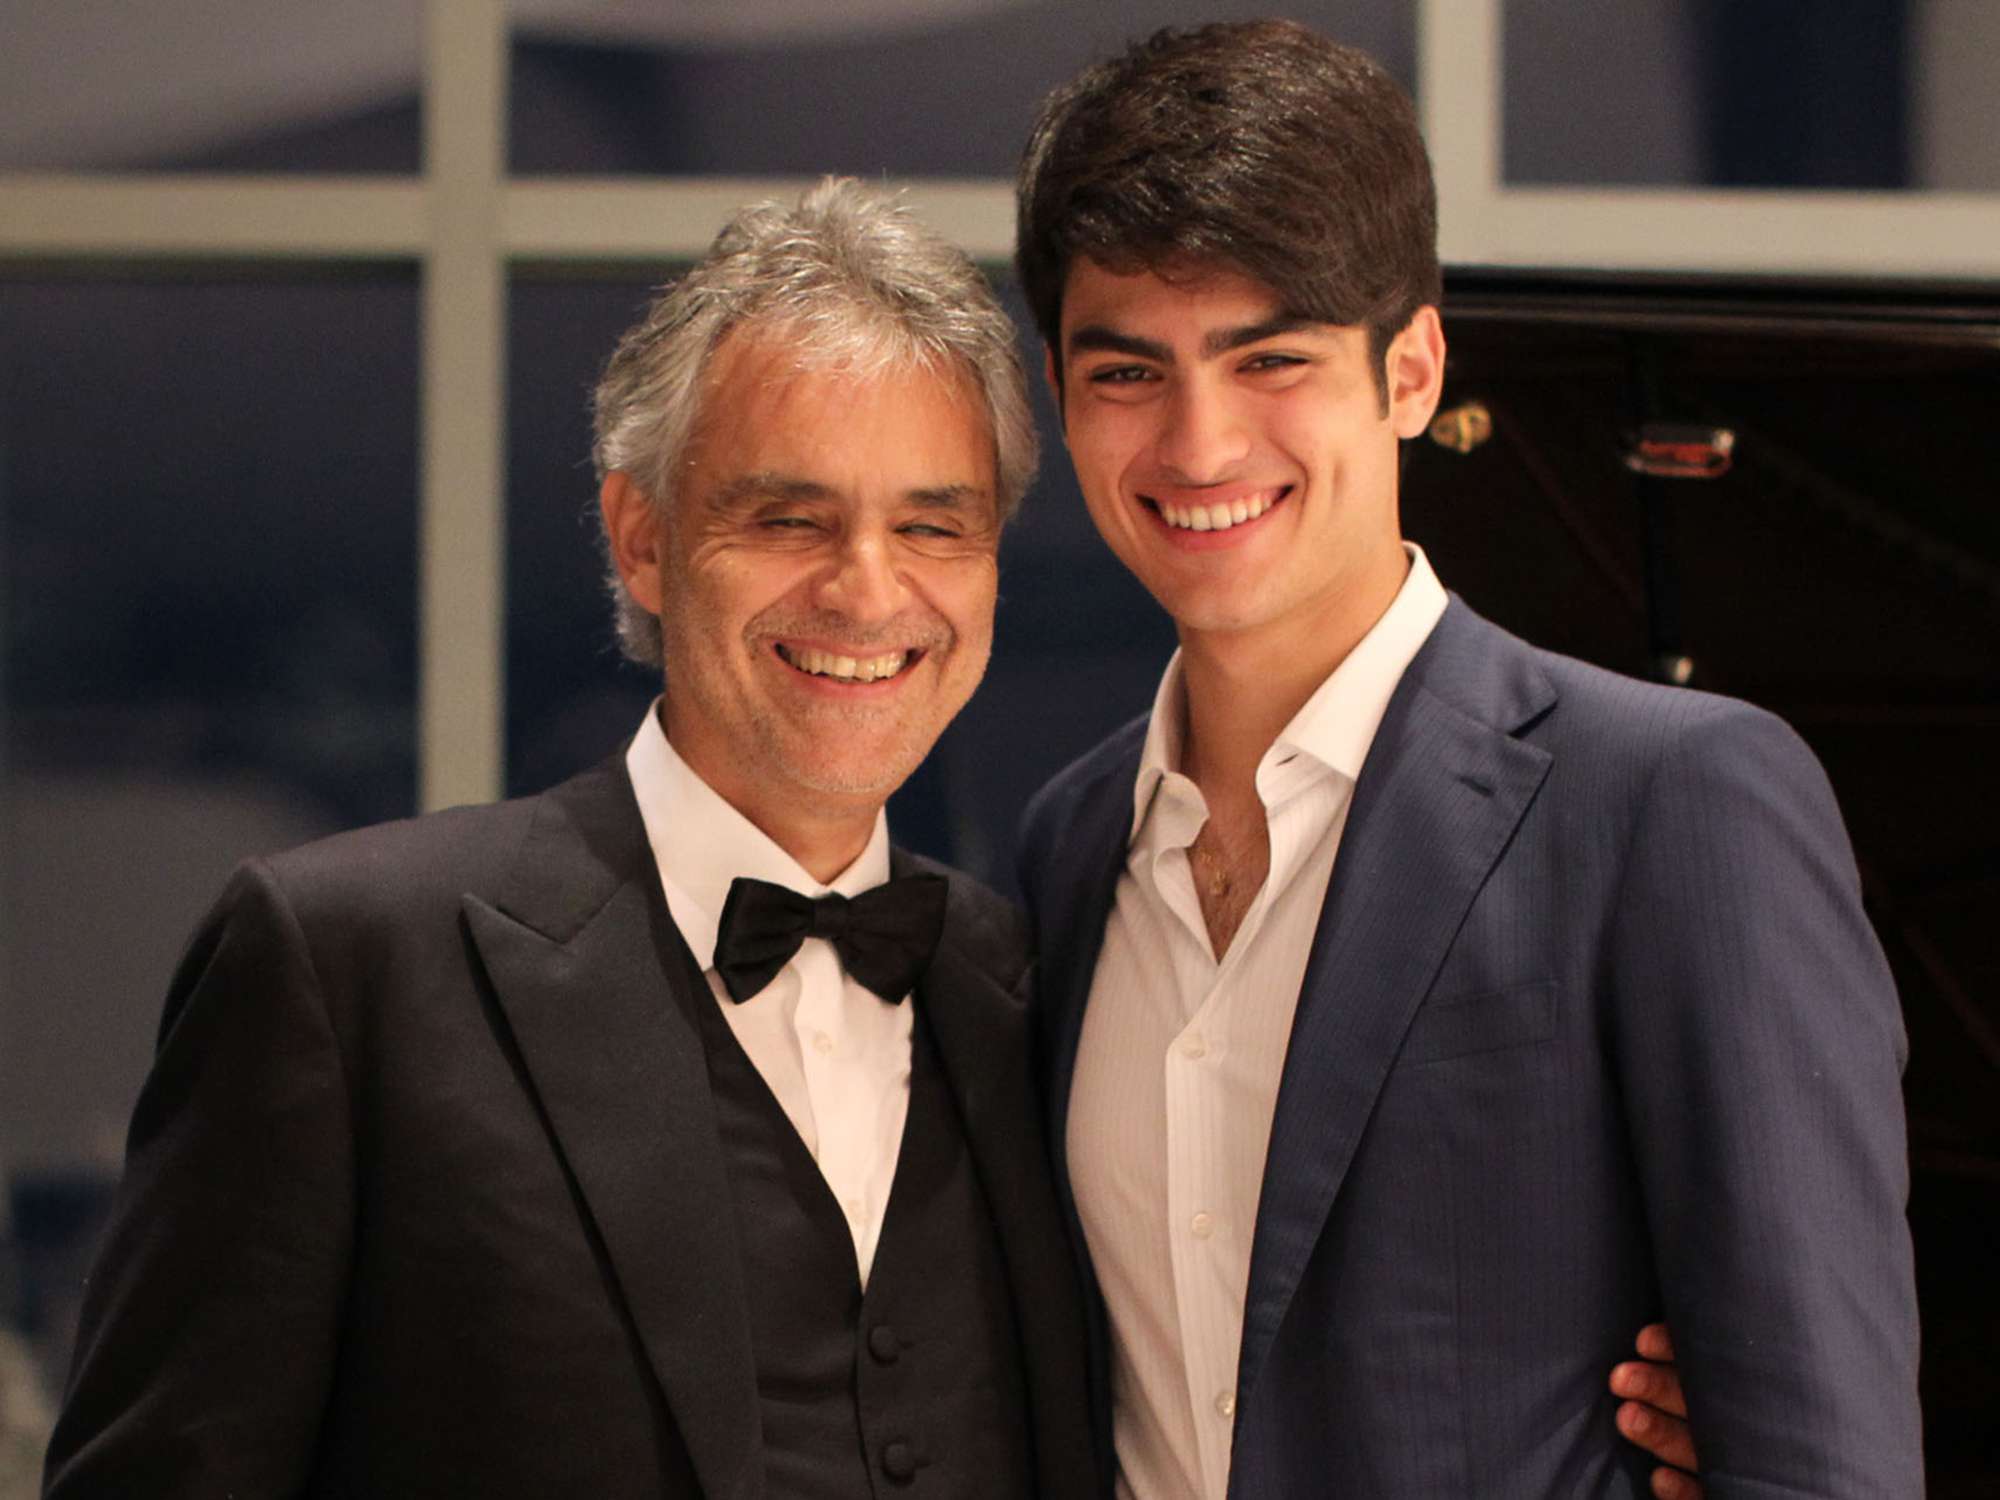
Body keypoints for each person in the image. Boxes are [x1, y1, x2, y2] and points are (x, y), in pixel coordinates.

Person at [40, 177, 1096, 1500]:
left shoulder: (1031, 991)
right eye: (788, 518)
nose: (870, 589)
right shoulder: (348, 968)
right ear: (644, 541)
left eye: (933, 525)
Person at [1013, 20, 1921, 1500]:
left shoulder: (1675, 805)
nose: (1197, 441)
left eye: (1272, 359)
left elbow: (1824, 1460)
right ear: (1061, 392)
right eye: (1131, 372)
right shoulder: (1063, 852)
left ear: (1414, 369)